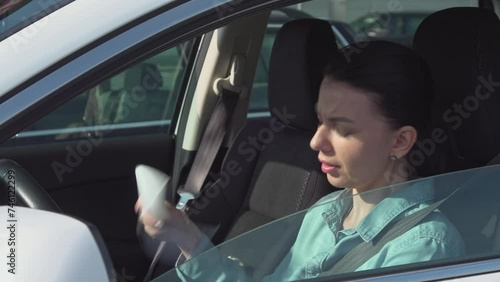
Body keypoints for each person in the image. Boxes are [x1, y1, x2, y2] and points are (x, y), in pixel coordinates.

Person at [135, 41, 465, 281]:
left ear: (401, 141)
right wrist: (187, 236)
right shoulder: (325, 213)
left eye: (341, 129)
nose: (315, 141)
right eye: (320, 120)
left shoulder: (424, 248)